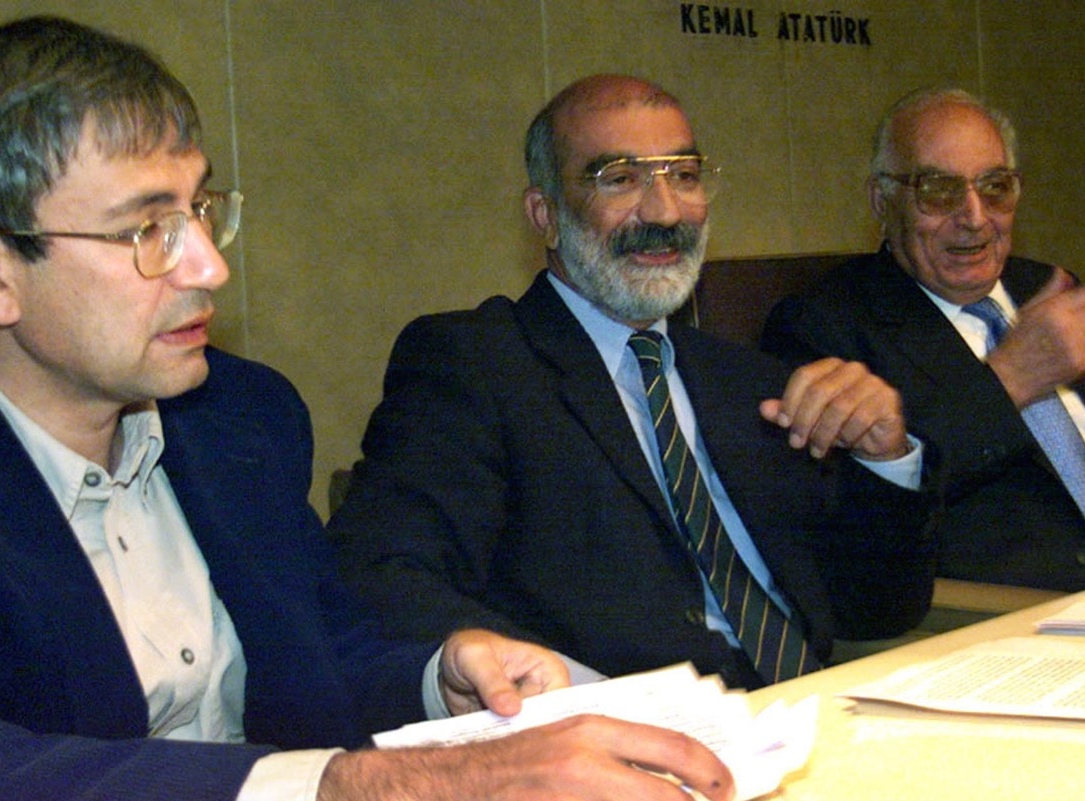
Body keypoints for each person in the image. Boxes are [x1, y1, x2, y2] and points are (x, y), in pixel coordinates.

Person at [0, 19, 736, 801]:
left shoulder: (241, 419)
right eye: (146, 230)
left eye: (200, 209)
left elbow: (321, 658)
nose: (210, 264)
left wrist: (439, 673)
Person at [328, 74, 940, 690]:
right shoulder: (475, 364)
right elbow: (381, 572)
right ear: (545, 215)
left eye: (685, 176)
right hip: (623, 739)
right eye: (620, 179)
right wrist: (555, 689)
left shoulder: (748, 382)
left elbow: (877, 609)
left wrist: (886, 458)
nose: (665, 211)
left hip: (810, 714)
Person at [762, 86, 1085, 591]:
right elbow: (852, 528)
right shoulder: (823, 326)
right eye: (938, 191)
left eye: (995, 187)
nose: (975, 217)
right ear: (882, 199)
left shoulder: (1046, 287)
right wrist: (1009, 380)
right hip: (1016, 618)